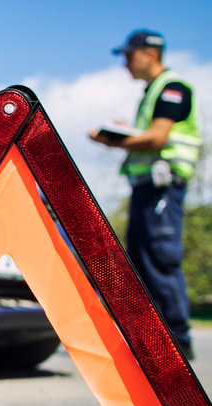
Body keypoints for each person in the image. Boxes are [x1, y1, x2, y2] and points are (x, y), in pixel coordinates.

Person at [90, 29, 202, 360]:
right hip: (146, 189)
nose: (125, 63)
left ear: (149, 54)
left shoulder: (172, 88)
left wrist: (114, 140)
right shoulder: (153, 92)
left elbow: (156, 139)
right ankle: (155, 342)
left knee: (159, 259)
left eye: (128, 56)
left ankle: (177, 344)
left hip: (162, 189)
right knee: (141, 261)